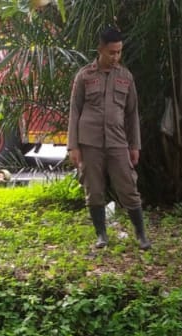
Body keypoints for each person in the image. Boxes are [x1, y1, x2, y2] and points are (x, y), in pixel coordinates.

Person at [67, 26, 149, 250]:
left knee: (128, 187)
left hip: (117, 141)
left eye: (119, 52)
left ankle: (141, 235)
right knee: (94, 189)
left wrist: (135, 146)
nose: (116, 57)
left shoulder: (126, 77)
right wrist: (72, 146)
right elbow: (75, 111)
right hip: (90, 142)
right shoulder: (84, 76)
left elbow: (132, 114)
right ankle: (101, 235)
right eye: (111, 52)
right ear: (100, 49)